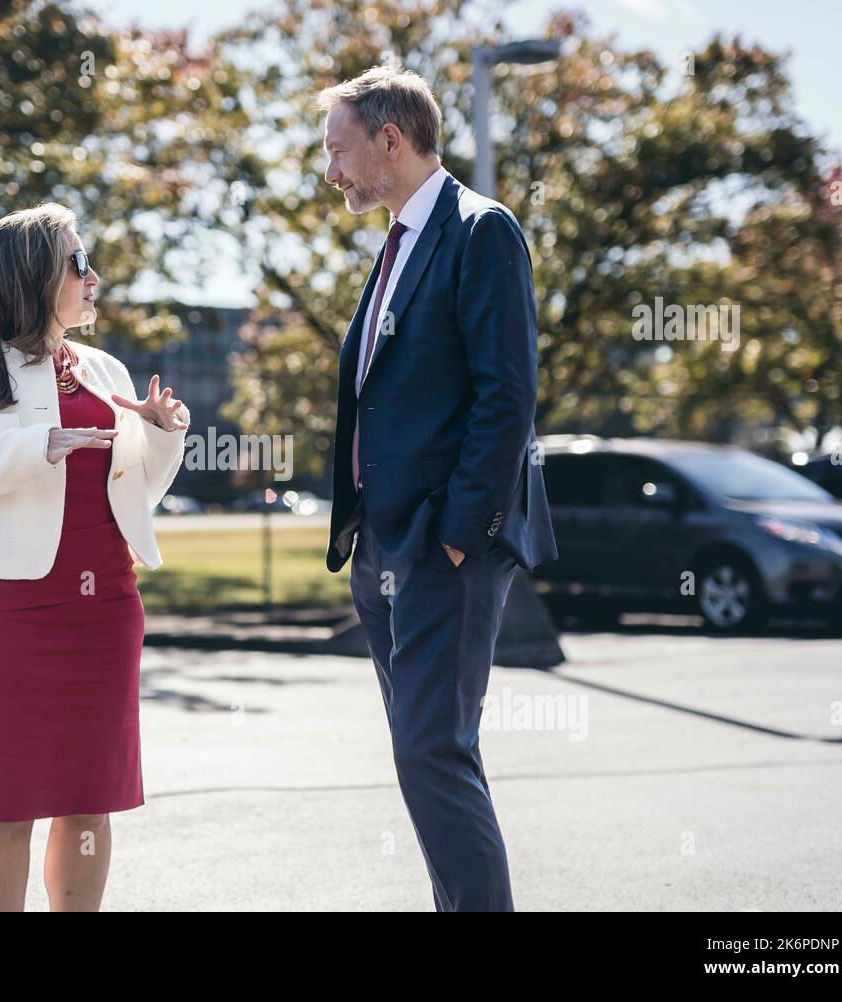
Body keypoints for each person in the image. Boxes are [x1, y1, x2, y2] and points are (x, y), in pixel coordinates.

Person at [319, 65, 558, 911]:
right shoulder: (395, 243)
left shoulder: (480, 231)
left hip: (441, 549)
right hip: (383, 547)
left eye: (339, 151)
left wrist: (460, 531)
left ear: (392, 139)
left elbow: (508, 395)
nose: (331, 172)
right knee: (427, 754)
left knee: (431, 753)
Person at [0, 203, 189, 911]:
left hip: (103, 611)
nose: (93, 277)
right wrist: (37, 447)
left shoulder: (103, 369)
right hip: (5, 611)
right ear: (34, 273)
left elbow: (136, 492)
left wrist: (161, 436)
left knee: (87, 803)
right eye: (78, 263)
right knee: (2, 805)